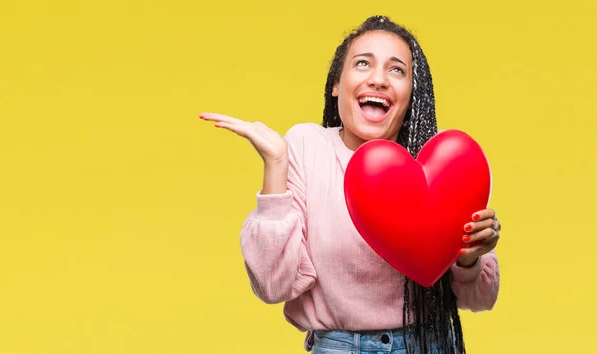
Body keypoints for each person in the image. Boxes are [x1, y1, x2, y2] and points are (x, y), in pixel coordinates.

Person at [200, 15, 500, 354]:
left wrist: (470, 259)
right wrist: (276, 164)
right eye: (363, 64)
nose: (378, 80)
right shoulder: (306, 146)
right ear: (336, 85)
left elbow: (480, 299)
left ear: (412, 93)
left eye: (396, 70)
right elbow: (272, 286)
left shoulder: (438, 168)